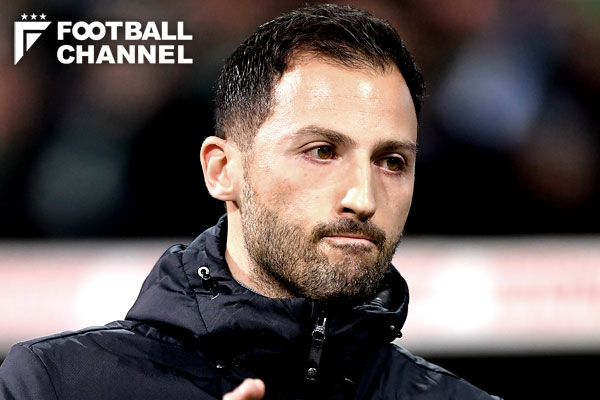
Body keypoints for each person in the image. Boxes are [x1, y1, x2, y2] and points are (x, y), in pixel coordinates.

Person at [0, 4, 500, 400]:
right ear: (221, 170)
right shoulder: (55, 385)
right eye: (321, 151)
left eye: (391, 161)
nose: (363, 198)